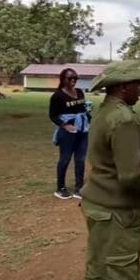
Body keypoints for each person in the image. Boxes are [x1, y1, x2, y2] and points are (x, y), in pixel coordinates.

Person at [73, 61, 140, 280]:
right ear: (124, 87)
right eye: (138, 84)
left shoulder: (104, 112)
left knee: (96, 277)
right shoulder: (123, 119)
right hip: (116, 213)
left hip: (97, 205)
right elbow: (131, 175)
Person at [49, 68, 90, 200]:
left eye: (75, 78)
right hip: (68, 133)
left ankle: (79, 188)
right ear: (63, 79)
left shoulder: (79, 92)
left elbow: (82, 108)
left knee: (80, 159)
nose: (73, 80)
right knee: (65, 159)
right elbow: (52, 115)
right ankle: (60, 188)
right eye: (70, 78)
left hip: (82, 130)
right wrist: (64, 125)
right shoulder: (57, 96)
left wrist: (88, 114)